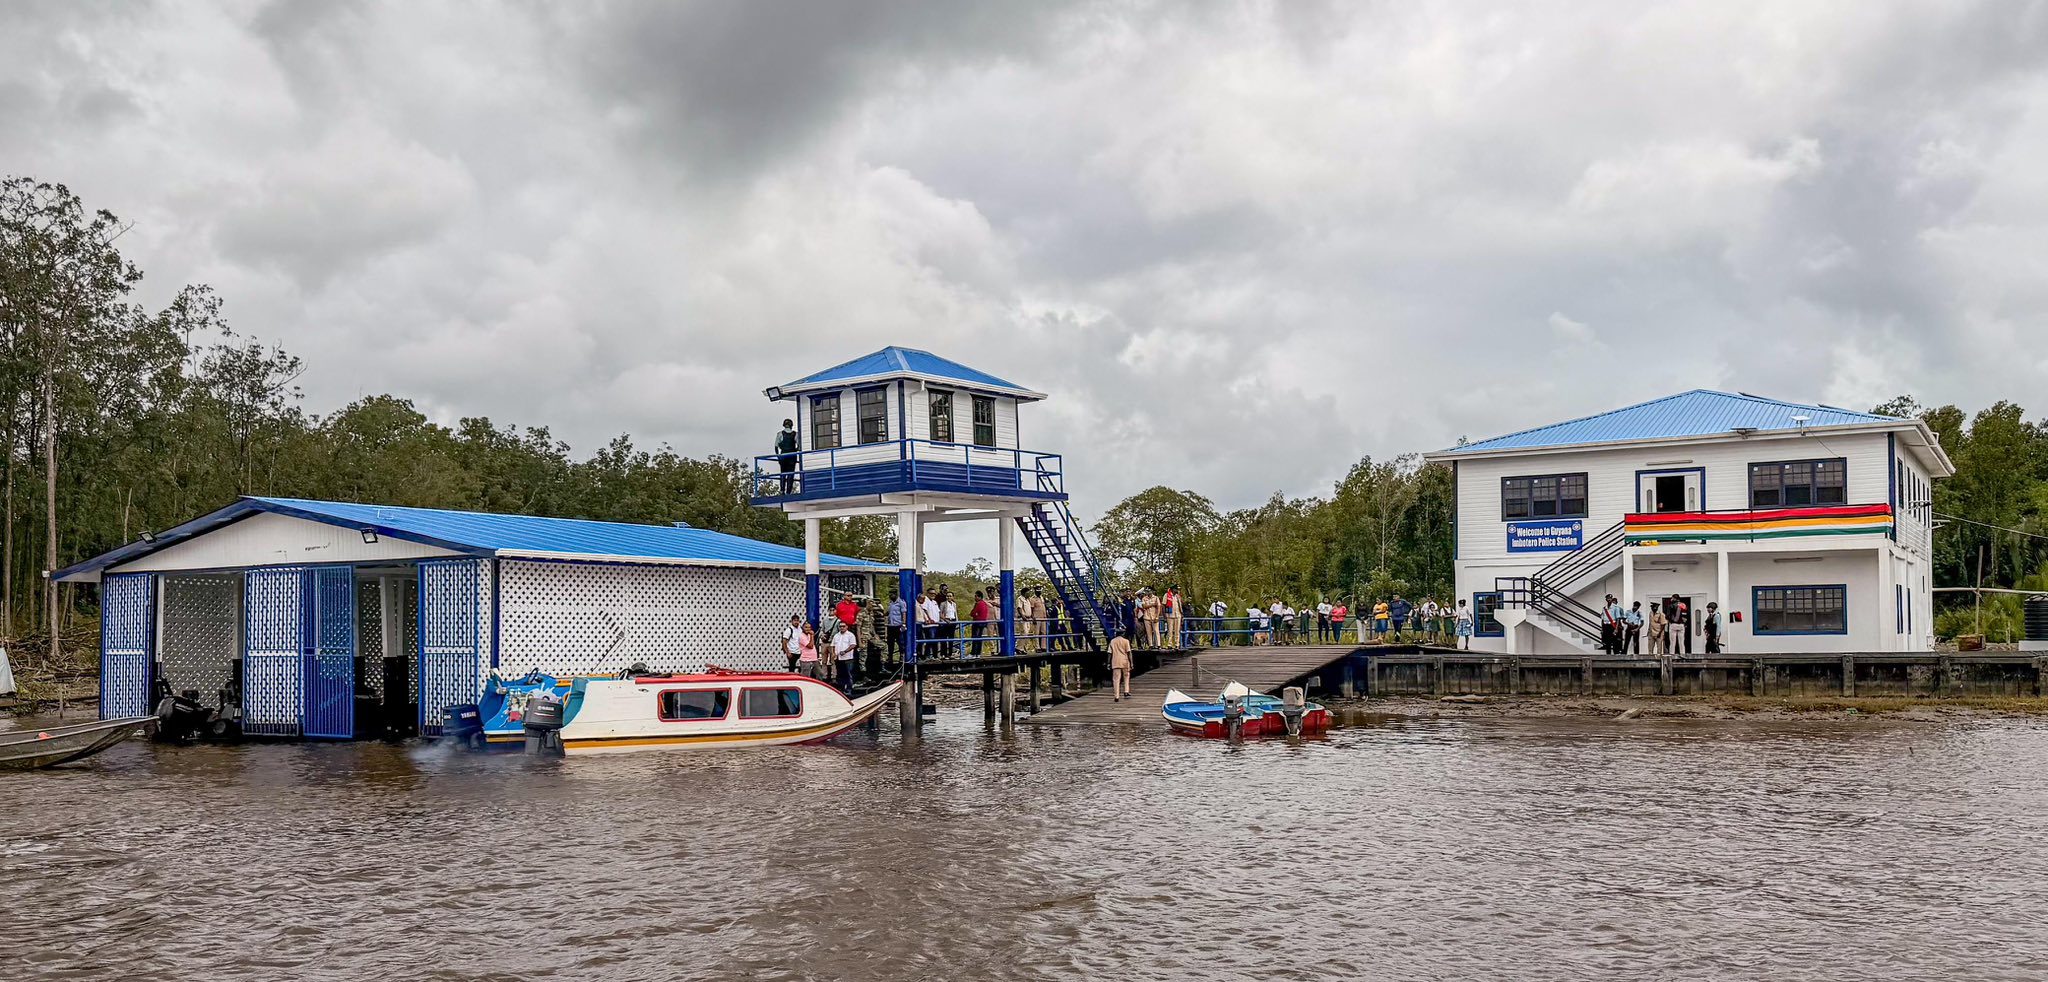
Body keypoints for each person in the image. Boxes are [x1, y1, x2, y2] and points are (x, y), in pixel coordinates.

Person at [773, 418, 799, 494]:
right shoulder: (795, 434)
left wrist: (778, 457)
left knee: (783, 473)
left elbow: (776, 446)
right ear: (791, 425)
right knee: (791, 474)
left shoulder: (779, 434)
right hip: (792, 456)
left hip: (783, 456)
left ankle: (782, 490)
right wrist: (795, 450)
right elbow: (799, 445)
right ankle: (788, 491)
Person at [832, 622, 857, 693]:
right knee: (840, 674)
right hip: (839, 658)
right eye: (840, 626)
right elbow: (833, 645)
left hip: (847, 659)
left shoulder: (850, 635)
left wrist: (845, 651)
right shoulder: (836, 635)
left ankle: (849, 689)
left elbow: (853, 645)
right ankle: (841, 689)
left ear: (847, 627)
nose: (842, 628)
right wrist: (833, 653)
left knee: (849, 675)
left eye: (843, 626)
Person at [1108, 633, 1134, 701]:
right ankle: (1126, 691)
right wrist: (1131, 663)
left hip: (1115, 661)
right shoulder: (1126, 641)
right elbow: (1129, 653)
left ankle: (1116, 696)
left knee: (1116, 679)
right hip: (1125, 661)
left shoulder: (1112, 641)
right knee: (1126, 676)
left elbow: (1109, 653)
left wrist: (1108, 663)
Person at [886, 592, 908, 664]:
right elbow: (888, 612)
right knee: (890, 642)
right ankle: (890, 657)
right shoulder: (890, 603)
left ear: (895, 595)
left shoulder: (901, 603)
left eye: (892, 595)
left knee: (900, 642)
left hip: (898, 625)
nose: (890, 596)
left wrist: (904, 624)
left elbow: (904, 613)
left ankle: (902, 657)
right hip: (891, 625)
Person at [969, 590, 992, 657]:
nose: (975, 598)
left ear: (979, 597)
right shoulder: (984, 603)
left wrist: (974, 614)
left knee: (975, 638)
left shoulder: (979, 604)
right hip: (982, 622)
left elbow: (973, 613)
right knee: (979, 638)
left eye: (976, 596)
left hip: (977, 622)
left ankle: (973, 653)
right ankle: (978, 653)